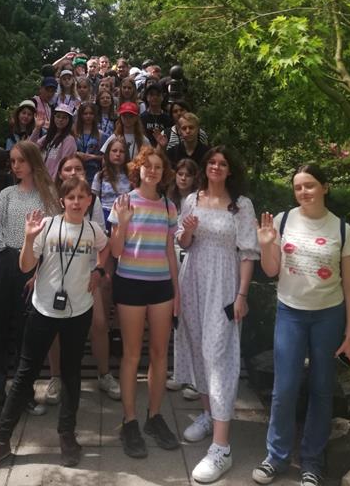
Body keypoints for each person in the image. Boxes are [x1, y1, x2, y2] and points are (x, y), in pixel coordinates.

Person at [0, 176, 110, 475]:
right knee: (25, 374)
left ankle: (67, 434)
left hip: (78, 311)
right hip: (44, 310)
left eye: (81, 197)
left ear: (89, 201)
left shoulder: (93, 230)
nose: (76, 202)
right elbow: (25, 266)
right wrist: (29, 238)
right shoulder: (47, 225)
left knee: (71, 375)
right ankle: (0, 440)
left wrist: (99, 270)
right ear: (62, 201)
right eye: (70, 197)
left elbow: (106, 248)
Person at [252, 164, 350, 486]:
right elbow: (271, 270)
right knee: (284, 388)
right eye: (298, 187)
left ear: (325, 187)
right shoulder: (283, 220)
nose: (303, 192)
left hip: (328, 315)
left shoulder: (342, 229)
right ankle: (276, 456)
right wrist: (266, 244)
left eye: (310, 185)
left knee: (321, 388)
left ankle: (312, 462)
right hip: (290, 313)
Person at [175, 146, 259, 483]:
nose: (216, 167)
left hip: (224, 283)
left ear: (230, 170)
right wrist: (188, 230)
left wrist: (242, 294)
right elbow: (183, 243)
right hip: (193, 280)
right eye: (211, 162)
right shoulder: (192, 199)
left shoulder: (241, 205)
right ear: (204, 166)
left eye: (223, 163)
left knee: (219, 355)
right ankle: (208, 414)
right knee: (198, 349)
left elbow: (248, 253)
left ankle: (222, 448)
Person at [0, 141, 59, 420]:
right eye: (13, 161)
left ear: (33, 161)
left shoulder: (49, 195)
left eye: (21, 161)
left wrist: (39, 272)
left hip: (31, 266)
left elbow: (52, 239)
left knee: (26, 335)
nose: (15, 166)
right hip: (3, 263)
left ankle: (23, 397)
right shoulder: (7, 193)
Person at [109, 146, 180, 459]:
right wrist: (123, 222)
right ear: (137, 169)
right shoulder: (124, 202)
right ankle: (129, 420)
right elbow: (115, 251)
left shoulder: (168, 205)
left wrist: (177, 292)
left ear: (164, 173)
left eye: (158, 167)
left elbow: (170, 251)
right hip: (130, 285)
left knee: (160, 353)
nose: (152, 171)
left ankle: (154, 416)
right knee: (131, 354)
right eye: (147, 166)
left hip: (161, 286)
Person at [45, 156, 121, 404]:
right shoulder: (50, 199)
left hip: (86, 272)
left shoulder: (92, 200)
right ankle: (56, 377)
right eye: (68, 168)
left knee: (98, 324)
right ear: (60, 173)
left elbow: (102, 241)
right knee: (55, 327)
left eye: (78, 168)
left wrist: (99, 270)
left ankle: (104, 374)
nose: (73, 171)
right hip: (55, 274)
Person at [165, 158, 201, 401]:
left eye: (188, 174)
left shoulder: (200, 200)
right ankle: (180, 371)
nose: (183, 178)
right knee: (177, 316)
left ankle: (197, 378)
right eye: (180, 173)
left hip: (193, 260)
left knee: (193, 317)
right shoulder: (168, 201)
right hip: (171, 260)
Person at [92, 136, 132, 231]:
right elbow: (93, 200)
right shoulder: (100, 176)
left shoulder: (132, 176)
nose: (118, 154)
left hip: (125, 216)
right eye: (114, 151)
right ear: (108, 153)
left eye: (121, 151)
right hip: (104, 216)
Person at [30, 104, 77, 180]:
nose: (60, 120)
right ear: (54, 118)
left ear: (69, 121)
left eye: (64, 118)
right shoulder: (48, 137)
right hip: (40, 179)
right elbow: (30, 148)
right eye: (58, 116)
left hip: (53, 181)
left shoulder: (69, 140)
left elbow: (63, 163)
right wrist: (37, 128)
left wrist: (54, 181)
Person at [74, 101, 105, 184]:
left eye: (91, 113)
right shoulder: (74, 133)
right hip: (76, 170)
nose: (88, 116)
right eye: (85, 113)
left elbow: (106, 157)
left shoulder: (101, 135)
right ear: (81, 115)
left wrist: (92, 157)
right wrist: (76, 154)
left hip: (93, 171)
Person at [140, 83, 172, 147]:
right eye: (151, 94)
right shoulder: (141, 117)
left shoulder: (168, 118)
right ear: (147, 97)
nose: (155, 97)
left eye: (158, 95)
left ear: (162, 97)